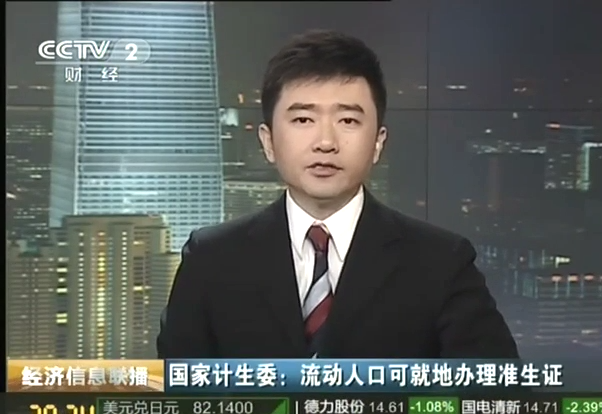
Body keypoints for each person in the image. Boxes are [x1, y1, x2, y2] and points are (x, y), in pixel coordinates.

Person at [157, 30, 519, 360]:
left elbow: (495, 396)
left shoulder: (441, 263)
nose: (326, 142)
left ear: (378, 143)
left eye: (348, 121)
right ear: (268, 142)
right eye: (303, 120)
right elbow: (175, 394)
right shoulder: (211, 259)